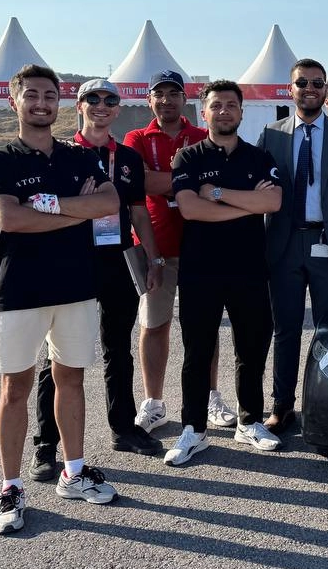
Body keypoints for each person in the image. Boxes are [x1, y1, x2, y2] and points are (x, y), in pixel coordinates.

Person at [0, 65, 121, 534]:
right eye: (32, 95)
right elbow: (10, 220)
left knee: (71, 380)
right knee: (15, 389)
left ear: (59, 103)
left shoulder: (79, 156)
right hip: (20, 290)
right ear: (14, 102)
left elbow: (108, 204)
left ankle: (73, 472)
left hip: (76, 287)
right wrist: (75, 210)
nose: (41, 103)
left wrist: (44, 203)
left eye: (49, 95)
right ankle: (10, 488)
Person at [31, 79, 165, 482]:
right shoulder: (59, 154)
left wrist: (153, 257)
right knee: (58, 358)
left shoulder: (127, 158)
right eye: (93, 99)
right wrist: (85, 205)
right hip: (71, 261)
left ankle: (123, 428)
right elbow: (45, 208)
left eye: (109, 100)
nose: (101, 105)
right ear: (79, 106)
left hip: (118, 259)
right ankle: (46, 445)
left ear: (118, 109)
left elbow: (138, 212)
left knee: (117, 349)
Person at [164, 80, 283, 465]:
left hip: (249, 268)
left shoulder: (259, 157)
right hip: (200, 269)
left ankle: (249, 421)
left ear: (242, 112)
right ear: (204, 113)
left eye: (231, 105)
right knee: (197, 351)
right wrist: (249, 204)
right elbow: (190, 209)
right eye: (216, 105)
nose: (224, 111)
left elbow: (274, 202)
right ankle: (193, 429)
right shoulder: (188, 158)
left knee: (252, 347)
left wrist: (217, 194)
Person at [257, 59, 328, 435]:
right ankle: (282, 406)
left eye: (317, 83)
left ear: (324, 90)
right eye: (302, 82)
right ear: (289, 89)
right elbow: (254, 188)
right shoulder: (271, 134)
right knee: (286, 330)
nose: (310, 88)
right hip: (285, 244)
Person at [124, 70, 234, 434]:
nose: (167, 100)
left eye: (174, 94)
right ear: (149, 100)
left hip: (201, 247)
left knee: (204, 328)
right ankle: (154, 402)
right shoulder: (137, 138)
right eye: (160, 94)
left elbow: (216, 183)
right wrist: (189, 180)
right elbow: (141, 182)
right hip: (153, 248)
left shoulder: (201, 135)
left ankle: (211, 396)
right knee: (154, 325)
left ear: (185, 100)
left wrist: (168, 181)